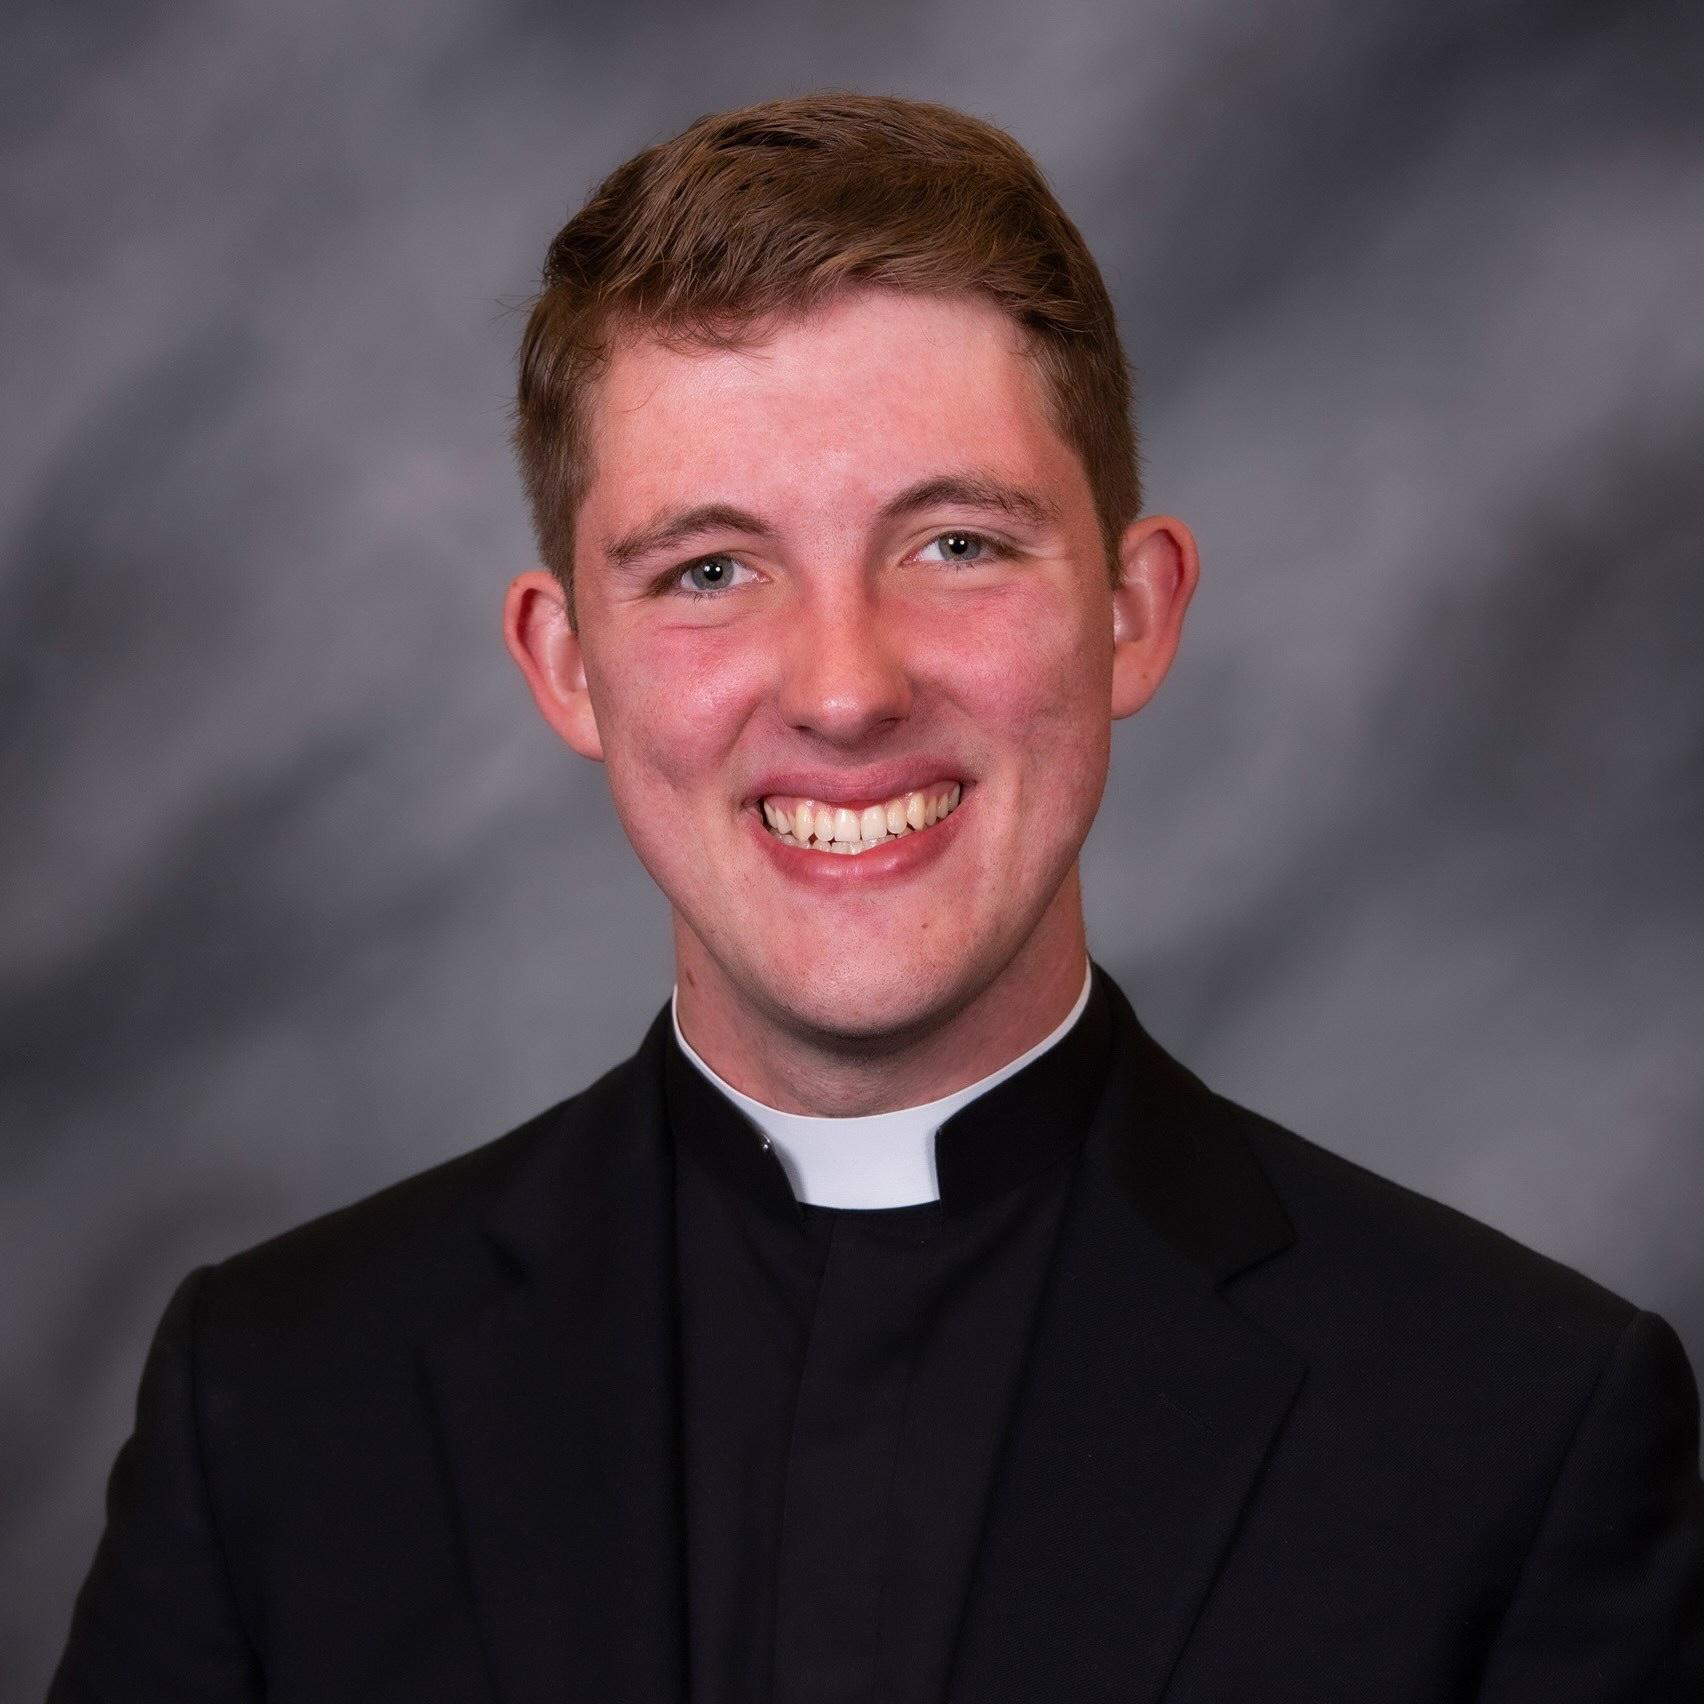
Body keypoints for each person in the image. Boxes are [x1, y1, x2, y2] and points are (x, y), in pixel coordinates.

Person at [49, 92, 1702, 1704]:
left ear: (1132, 613)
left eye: (956, 545)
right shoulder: (272, 1406)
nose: (844, 690)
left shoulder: (1518, 1432)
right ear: (568, 666)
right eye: (710, 571)